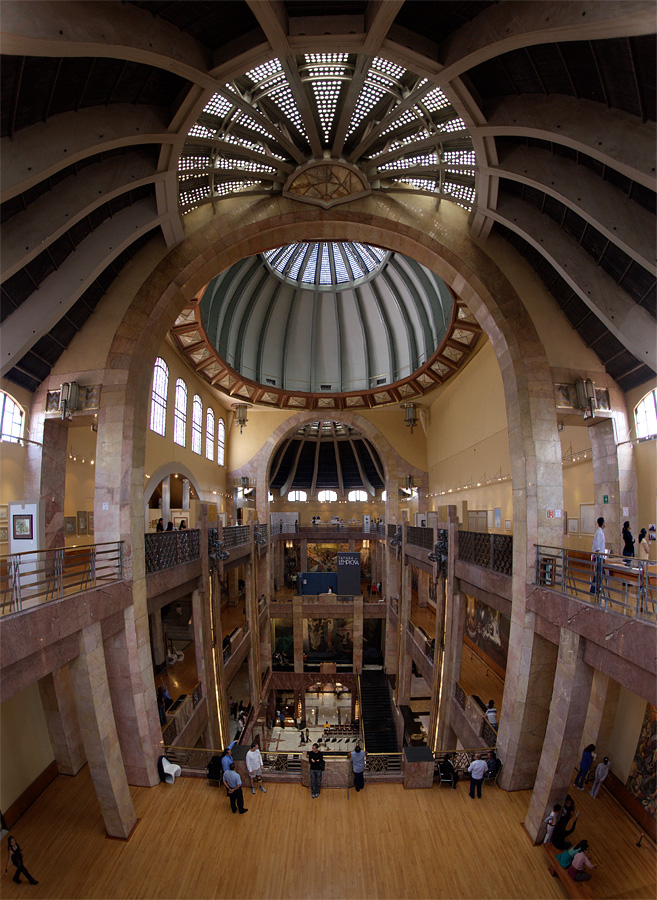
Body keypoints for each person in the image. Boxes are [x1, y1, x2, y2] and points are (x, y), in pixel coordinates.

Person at [590, 517, 605, 593]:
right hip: (599, 556)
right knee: (598, 573)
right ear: (602, 523)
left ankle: (597, 587)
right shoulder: (599, 533)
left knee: (600, 573)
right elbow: (597, 545)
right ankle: (594, 588)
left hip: (601, 556)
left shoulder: (600, 532)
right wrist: (597, 554)